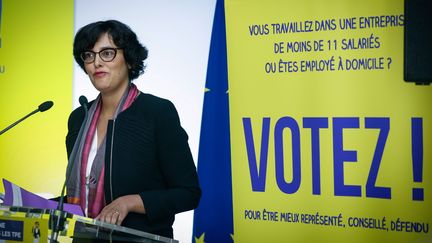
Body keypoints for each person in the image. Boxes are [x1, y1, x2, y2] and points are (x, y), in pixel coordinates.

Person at [65, 20, 201, 239]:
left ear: (128, 59)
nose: (97, 62)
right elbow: (82, 195)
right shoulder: (79, 117)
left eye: (107, 53)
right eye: (89, 55)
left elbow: (188, 193)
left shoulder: (157, 112)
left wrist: (130, 202)